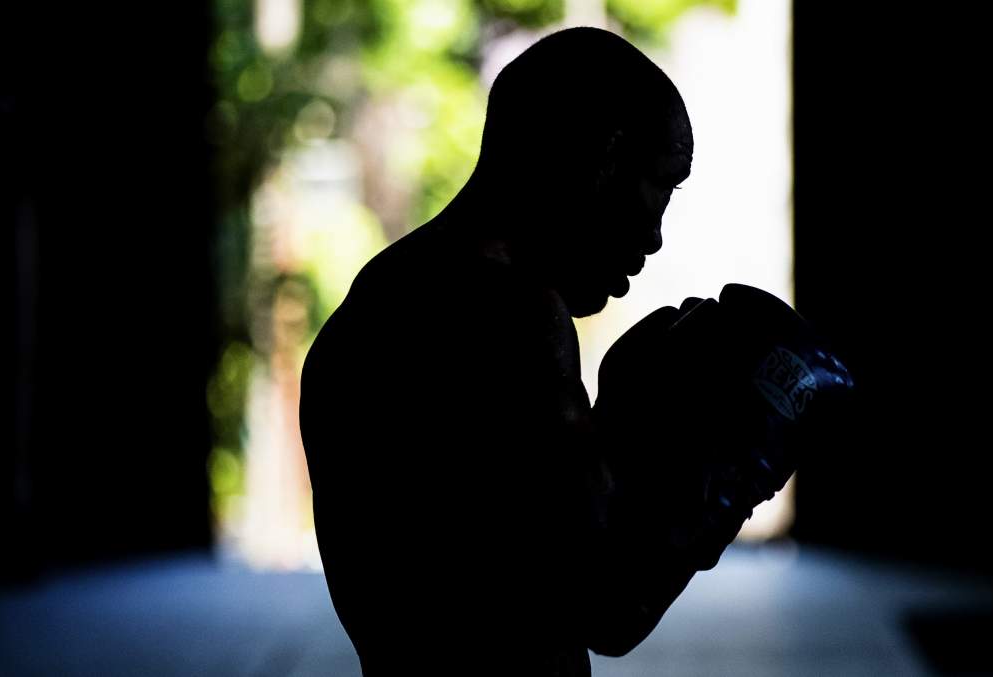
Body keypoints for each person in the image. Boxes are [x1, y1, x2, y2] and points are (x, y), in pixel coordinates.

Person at [299, 27, 801, 675]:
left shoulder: (376, 300)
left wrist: (620, 425)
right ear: (604, 161)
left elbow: (490, 554)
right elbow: (609, 606)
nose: (654, 237)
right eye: (659, 185)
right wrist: (735, 461)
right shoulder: (511, 314)